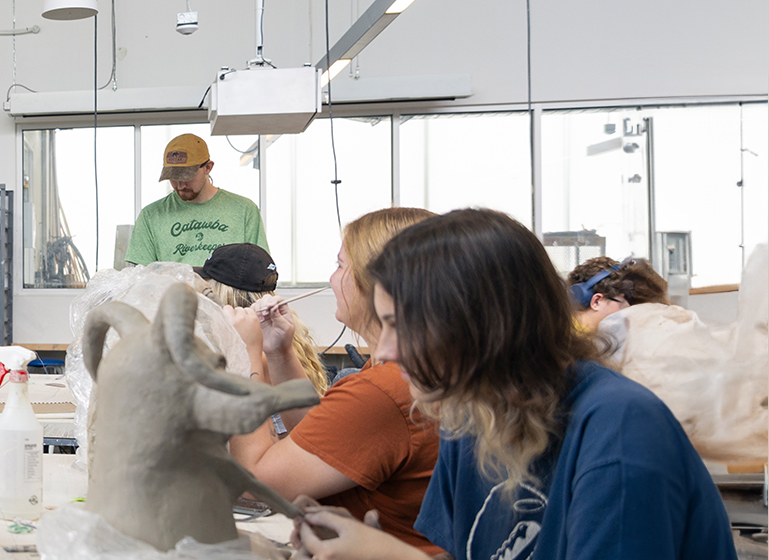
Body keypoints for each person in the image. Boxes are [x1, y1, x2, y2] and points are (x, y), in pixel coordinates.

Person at [295, 209, 734, 560]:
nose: (385, 351)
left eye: (398, 326)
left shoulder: (620, 430)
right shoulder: (470, 416)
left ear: (480, 328)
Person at [222, 208, 443, 556]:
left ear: (377, 281)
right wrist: (279, 352)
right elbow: (323, 440)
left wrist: (244, 357)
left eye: (341, 265)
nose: (331, 277)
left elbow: (255, 485)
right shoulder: (399, 366)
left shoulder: (385, 389)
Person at [197, 242, 328, 429]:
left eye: (208, 287)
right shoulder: (284, 339)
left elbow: (279, 442)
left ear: (222, 296)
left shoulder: (261, 359)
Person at [124, 133, 267, 267]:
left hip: (227, 294)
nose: (180, 185)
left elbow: (260, 269)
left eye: (187, 176)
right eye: (173, 177)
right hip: (173, 294)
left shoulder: (244, 210)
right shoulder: (151, 216)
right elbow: (140, 279)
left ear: (208, 168)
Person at [566, 256, 669, 331]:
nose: (631, 314)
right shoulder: (581, 347)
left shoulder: (566, 329)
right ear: (596, 301)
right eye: (626, 306)